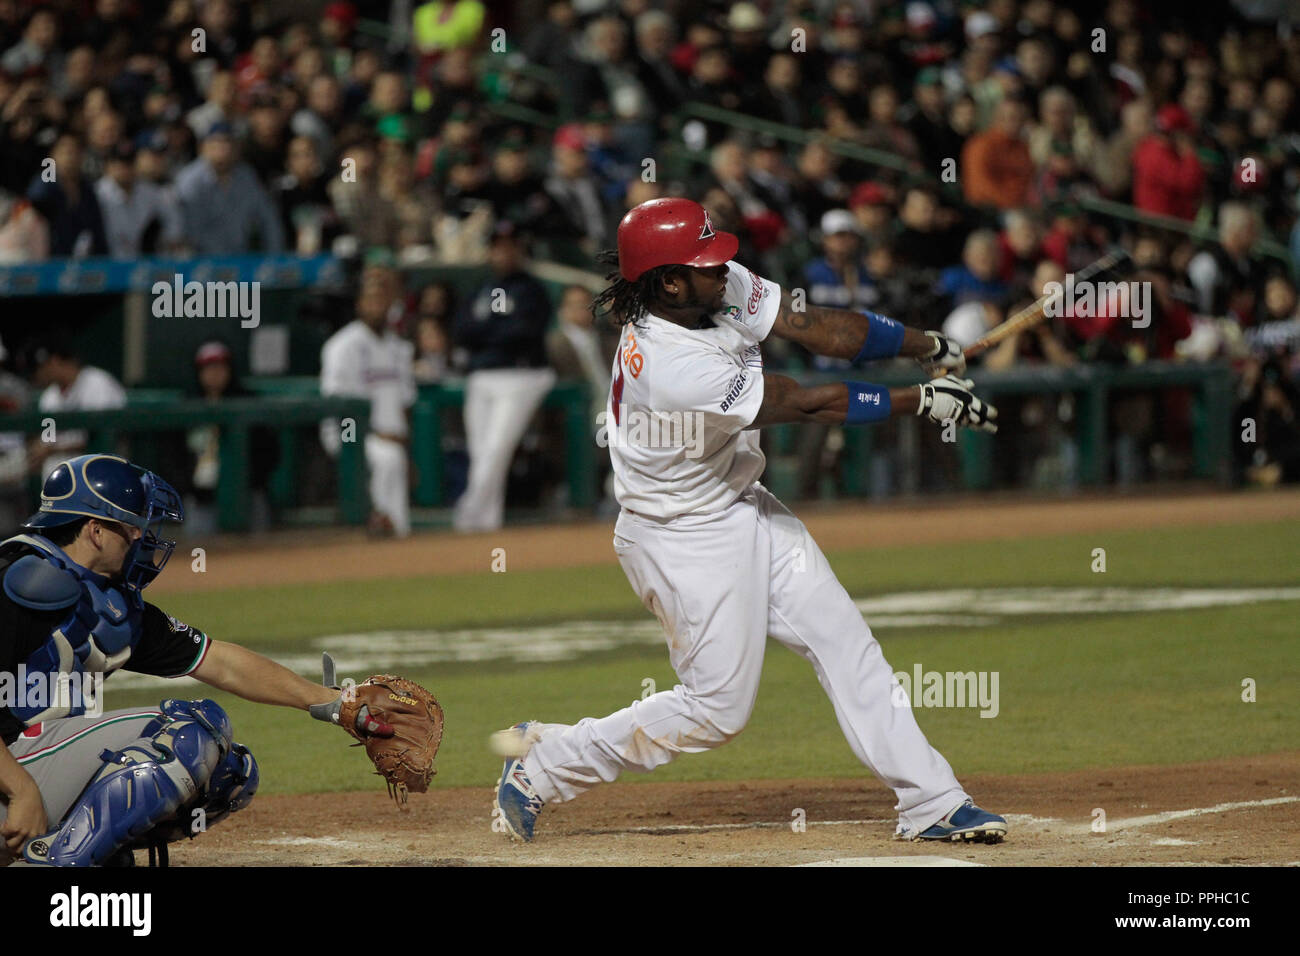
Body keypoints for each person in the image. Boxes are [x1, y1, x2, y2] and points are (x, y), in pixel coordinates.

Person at [490, 197, 1006, 845]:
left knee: (845, 643)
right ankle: (546, 763)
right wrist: (922, 400)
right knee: (716, 712)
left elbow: (818, 327)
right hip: (681, 535)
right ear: (669, 282)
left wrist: (928, 343)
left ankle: (932, 801)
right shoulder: (671, 364)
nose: (726, 268)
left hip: (744, 500)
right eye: (707, 263)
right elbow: (804, 403)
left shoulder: (708, 288)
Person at [0, 454, 392, 866]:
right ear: (96, 530)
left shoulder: (105, 601)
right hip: (14, 780)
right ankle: (63, 863)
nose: (142, 538)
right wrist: (21, 790)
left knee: (230, 773)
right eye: (132, 527)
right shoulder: (19, 582)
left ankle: (92, 853)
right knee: (189, 733)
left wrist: (333, 704)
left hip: (31, 776)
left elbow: (220, 662)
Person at [451, 222, 556, 533]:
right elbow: (461, 331)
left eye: (511, 246)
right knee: (482, 451)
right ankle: (487, 521)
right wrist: (496, 331)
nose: (504, 253)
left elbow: (525, 331)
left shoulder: (532, 289)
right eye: (498, 246)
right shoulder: (480, 290)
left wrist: (487, 333)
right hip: (481, 376)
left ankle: (468, 514)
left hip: (521, 375)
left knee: (496, 448)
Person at [320, 267, 416, 537]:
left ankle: (391, 530)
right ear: (359, 304)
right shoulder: (342, 346)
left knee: (393, 456)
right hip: (349, 434)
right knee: (387, 458)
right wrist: (361, 439)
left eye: (383, 298)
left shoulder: (399, 348)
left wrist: (407, 445)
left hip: (391, 437)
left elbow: (406, 403)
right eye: (371, 299)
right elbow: (339, 407)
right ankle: (388, 527)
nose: (378, 305)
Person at [30, 342, 127, 480]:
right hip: (58, 478)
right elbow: (48, 438)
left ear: (56, 361)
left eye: (44, 366)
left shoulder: (97, 382)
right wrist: (40, 448)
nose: (41, 372)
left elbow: (103, 437)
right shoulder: (49, 397)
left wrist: (53, 449)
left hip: (98, 474)